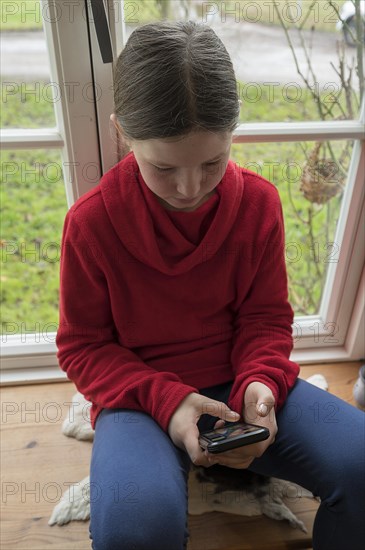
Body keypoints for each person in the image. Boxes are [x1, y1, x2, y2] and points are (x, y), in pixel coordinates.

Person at [56, 21, 365, 550]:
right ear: (120, 132)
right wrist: (170, 403)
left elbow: (265, 319)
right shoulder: (90, 225)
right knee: (135, 529)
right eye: (163, 167)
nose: (190, 188)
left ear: (232, 136)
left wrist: (262, 385)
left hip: (240, 384)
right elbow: (83, 347)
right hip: (141, 398)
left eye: (213, 162)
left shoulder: (259, 205)